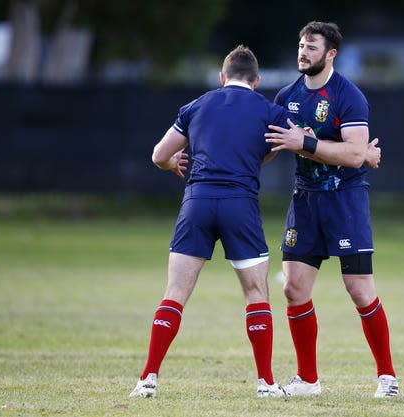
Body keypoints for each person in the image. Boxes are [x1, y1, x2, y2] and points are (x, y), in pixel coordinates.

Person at [129, 45, 300, 399]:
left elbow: (159, 154)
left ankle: (147, 379)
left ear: (222, 78)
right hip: (240, 205)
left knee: (175, 293)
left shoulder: (196, 106)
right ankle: (266, 383)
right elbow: (285, 144)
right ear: (257, 81)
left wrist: (172, 163)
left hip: (198, 202)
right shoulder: (270, 110)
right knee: (256, 294)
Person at [264, 21, 397, 398]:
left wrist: (303, 141)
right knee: (293, 289)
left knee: (359, 291)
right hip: (305, 202)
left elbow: (355, 154)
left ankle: (387, 377)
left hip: (344, 203)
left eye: (311, 47)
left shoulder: (347, 95)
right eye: (301, 45)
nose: (302, 52)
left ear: (331, 54)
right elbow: (270, 148)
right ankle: (308, 380)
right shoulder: (286, 96)